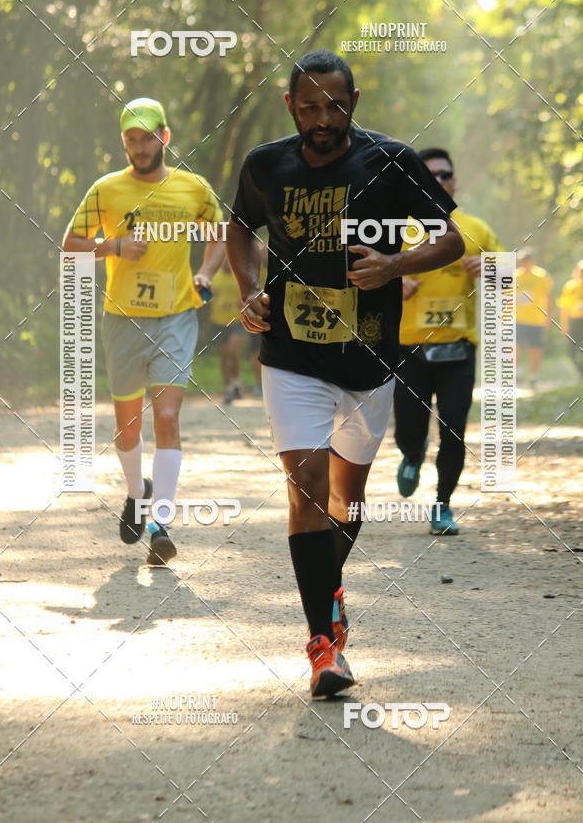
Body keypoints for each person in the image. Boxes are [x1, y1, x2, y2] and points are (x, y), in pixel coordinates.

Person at [226, 50, 464, 697]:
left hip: (369, 359)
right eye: (308, 107)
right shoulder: (265, 165)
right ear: (290, 108)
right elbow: (240, 228)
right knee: (304, 491)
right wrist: (248, 290)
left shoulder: (389, 161)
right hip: (291, 353)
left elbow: (451, 240)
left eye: (333, 106)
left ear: (353, 103)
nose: (321, 118)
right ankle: (324, 647)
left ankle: (329, 592)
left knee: (346, 501)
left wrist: (394, 266)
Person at [62, 97, 225, 565]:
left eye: (147, 138)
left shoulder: (193, 188)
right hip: (123, 319)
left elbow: (219, 235)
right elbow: (70, 245)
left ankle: (161, 522)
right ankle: (137, 493)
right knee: (127, 426)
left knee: (167, 417)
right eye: (131, 139)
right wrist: (113, 245)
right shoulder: (106, 190)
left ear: (164, 138)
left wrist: (206, 275)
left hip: (176, 314)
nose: (139, 147)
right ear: (124, 143)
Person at [394, 147, 504, 535]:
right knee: (409, 428)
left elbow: (507, 280)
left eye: (445, 175)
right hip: (408, 346)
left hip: (459, 346)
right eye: (430, 176)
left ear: (455, 182)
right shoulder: (396, 229)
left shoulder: (475, 228)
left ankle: (443, 505)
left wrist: (491, 269)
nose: (439, 182)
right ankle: (411, 452)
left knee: (454, 428)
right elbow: (361, 271)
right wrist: (395, 281)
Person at [210, 259, 249, 403]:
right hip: (218, 321)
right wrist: (208, 294)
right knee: (225, 356)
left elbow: (249, 295)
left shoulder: (239, 275)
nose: (227, 261)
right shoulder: (215, 277)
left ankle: (237, 381)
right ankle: (229, 388)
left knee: (233, 351)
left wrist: (243, 303)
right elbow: (205, 298)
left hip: (237, 320)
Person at [516, 248, 554, 390]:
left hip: (536, 319)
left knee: (534, 348)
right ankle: (517, 373)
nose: (524, 264)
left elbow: (549, 297)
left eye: (526, 261)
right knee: (515, 346)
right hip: (517, 318)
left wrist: (549, 316)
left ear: (532, 261)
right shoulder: (515, 276)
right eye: (522, 261)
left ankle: (533, 376)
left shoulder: (541, 276)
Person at [558, 259, 583, 381]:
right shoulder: (570, 287)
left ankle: (582, 375)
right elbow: (564, 307)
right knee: (571, 351)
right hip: (575, 321)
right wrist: (564, 325)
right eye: (582, 272)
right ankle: (579, 369)